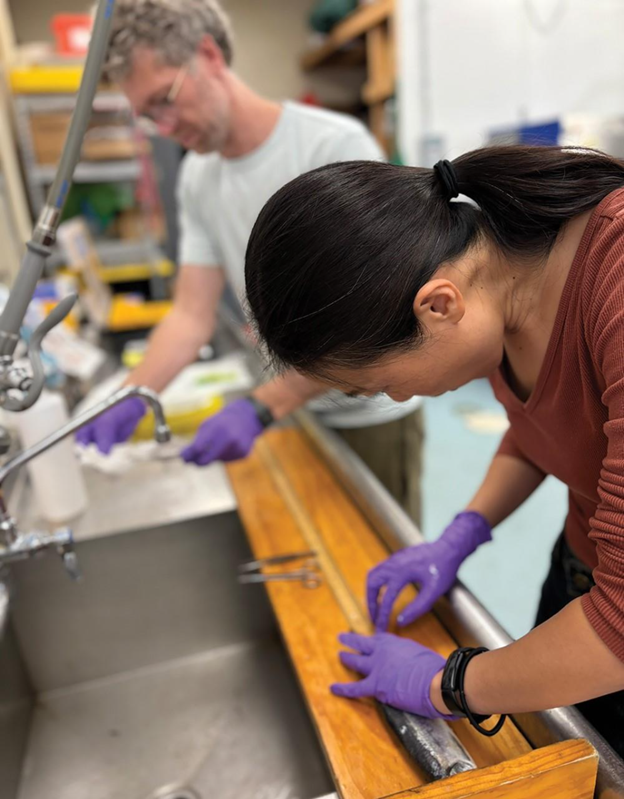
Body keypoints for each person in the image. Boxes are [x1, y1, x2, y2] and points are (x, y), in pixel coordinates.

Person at [244, 145, 624, 753]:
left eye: (381, 383)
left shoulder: (613, 281)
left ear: (438, 305)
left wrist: (448, 682)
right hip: (582, 572)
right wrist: (463, 532)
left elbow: (618, 632)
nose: (395, 398)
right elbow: (543, 426)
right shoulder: (503, 281)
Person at [76, 0, 423, 522]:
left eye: (163, 100)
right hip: (287, 410)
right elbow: (191, 314)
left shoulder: (330, 148)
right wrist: (132, 393)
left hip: (365, 410)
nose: (163, 127)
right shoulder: (198, 176)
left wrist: (263, 405)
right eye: (147, 116)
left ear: (209, 55)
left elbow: (364, 323)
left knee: (379, 570)